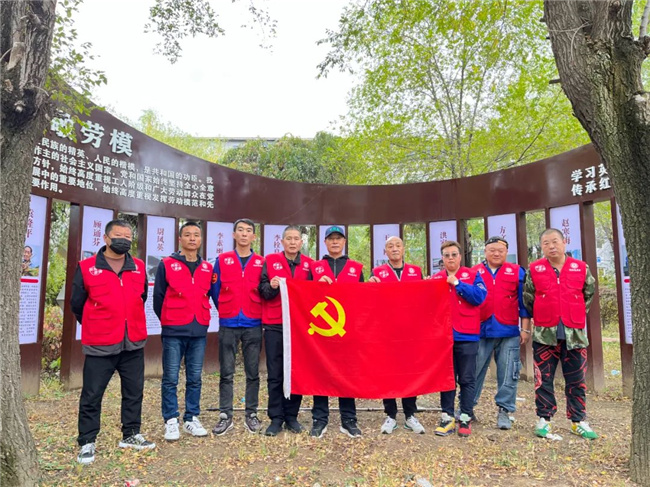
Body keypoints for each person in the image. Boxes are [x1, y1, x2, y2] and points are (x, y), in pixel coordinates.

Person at [71, 219, 155, 465]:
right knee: (92, 394)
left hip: (133, 342)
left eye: (128, 237)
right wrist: (97, 324)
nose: (124, 240)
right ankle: (87, 441)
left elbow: (142, 297)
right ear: (106, 238)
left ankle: (131, 433)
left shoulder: (138, 266)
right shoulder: (87, 267)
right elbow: (77, 304)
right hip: (100, 344)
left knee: (134, 392)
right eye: (119, 235)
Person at [523, 228, 598, 440]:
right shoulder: (535, 269)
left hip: (575, 335)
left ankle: (578, 420)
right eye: (546, 243)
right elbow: (528, 297)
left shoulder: (580, 268)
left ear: (564, 243)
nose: (551, 246)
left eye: (555, 241)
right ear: (542, 247)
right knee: (543, 379)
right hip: (544, 334)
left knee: (576, 379)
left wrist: (573, 312)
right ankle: (544, 419)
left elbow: (588, 294)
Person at [153, 221, 213, 441]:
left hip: (198, 330)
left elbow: (209, 294)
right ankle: (171, 420)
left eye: (196, 235)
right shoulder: (167, 264)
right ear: (180, 239)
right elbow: (158, 298)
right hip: (174, 330)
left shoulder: (207, 267)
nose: (192, 238)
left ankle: (191, 417)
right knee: (171, 378)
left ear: (201, 239)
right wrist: (170, 320)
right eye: (187, 234)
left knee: (195, 377)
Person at [210, 219, 265, 435]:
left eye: (248, 231)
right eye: (240, 230)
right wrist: (226, 309)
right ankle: (225, 415)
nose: (244, 234)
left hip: (253, 322)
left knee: (253, 372)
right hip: (228, 322)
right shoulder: (222, 260)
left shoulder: (261, 262)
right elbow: (215, 288)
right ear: (233, 235)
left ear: (253, 237)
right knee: (226, 372)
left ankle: (251, 413)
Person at [309, 225, 365, 438]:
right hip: (321, 331)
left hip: (347, 331)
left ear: (344, 242)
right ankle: (319, 419)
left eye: (338, 238)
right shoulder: (315, 268)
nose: (334, 242)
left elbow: (364, 299)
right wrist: (316, 286)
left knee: (347, 373)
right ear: (325, 242)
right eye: (331, 238)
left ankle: (348, 419)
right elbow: (304, 296)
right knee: (319, 373)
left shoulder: (356, 268)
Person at [258, 225, 313, 436]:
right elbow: (262, 290)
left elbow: (316, 294)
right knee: (275, 373)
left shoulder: (309, 265)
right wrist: (272, 286)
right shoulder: (270, 261)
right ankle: (276, 418)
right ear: (282, 242)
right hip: (275, 324)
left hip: (299, 327)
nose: (292, 242)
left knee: (295, 372)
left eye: (296, 238)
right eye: (288, 238)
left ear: (301, 242)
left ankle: (291, 416)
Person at [472, 236, 532, 430]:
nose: (496, 253)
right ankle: (467, 408)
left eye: (500, 250)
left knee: (508, 372)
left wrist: (525, 328)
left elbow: (524, 302)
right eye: (492, 250)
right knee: (473, 370)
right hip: (480, 329)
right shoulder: (474, 272)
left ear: (506, 252)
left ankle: (504, 410)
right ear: (485, 252)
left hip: (508, 330)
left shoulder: (516, 271)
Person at [369, 236, 426, 435]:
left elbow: (424, 298)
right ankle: (391, 415)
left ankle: (410, 415)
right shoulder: (377, 272)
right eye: (390, 246)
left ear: (403, 249)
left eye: (398, 245)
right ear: (385, 251)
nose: (394, 249)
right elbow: (370, 300)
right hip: (386, 332)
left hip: (411, 332)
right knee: (388, 372)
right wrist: (370, 285)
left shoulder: (416, 271)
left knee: (410, 372)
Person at [430, 240, 486, 438]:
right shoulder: (436, 278)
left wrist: (458, 284)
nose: (450, 258)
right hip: (444, 337)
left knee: (467, 378)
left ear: (460, 256)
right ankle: (447, 416)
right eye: (446, 255)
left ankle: (465, 416)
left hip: (467, 334)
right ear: (442, 259)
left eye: (454, 254)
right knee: (447, 379)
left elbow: (479, 297)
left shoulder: (472, 275)